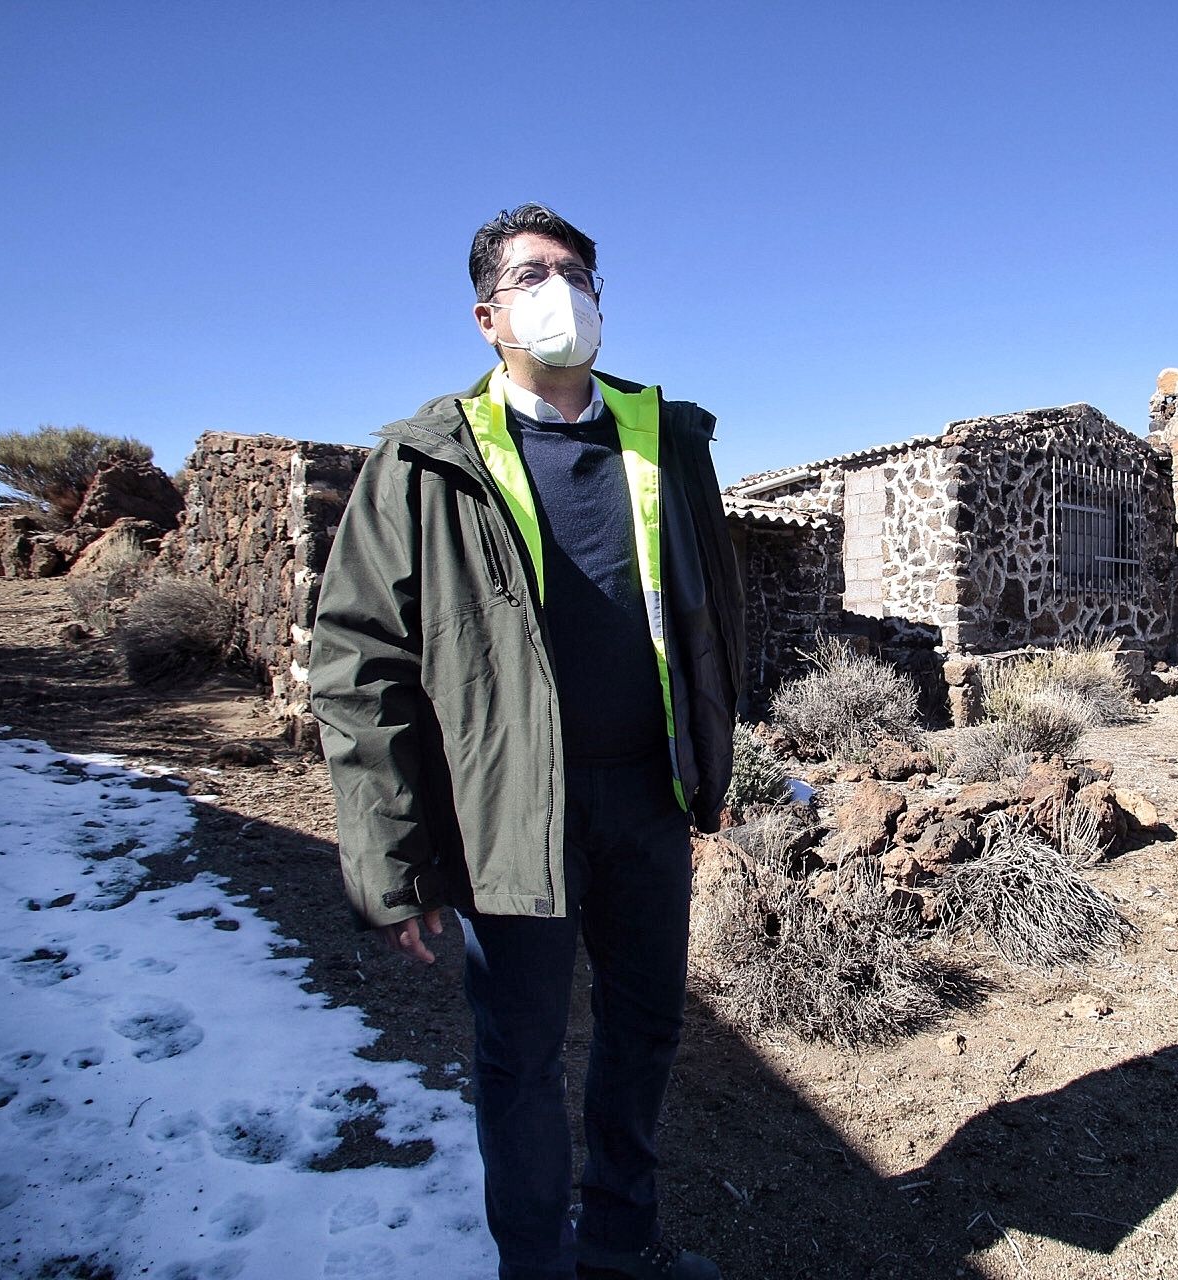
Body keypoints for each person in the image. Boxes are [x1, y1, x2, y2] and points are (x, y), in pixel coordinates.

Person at [310, 203, 743, 1280]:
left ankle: (615, 1241)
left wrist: (709, 764)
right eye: (537, 273)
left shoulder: (666, 440)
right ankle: (533, 1265)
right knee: (520, 1055)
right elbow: (360, 668)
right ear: (486, 315)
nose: (567, 292)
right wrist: (396, 862)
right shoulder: (424, 464)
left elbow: (714, 613)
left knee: (646, 1030)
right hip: (508, 816)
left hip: (645, 796)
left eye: (582, 274)